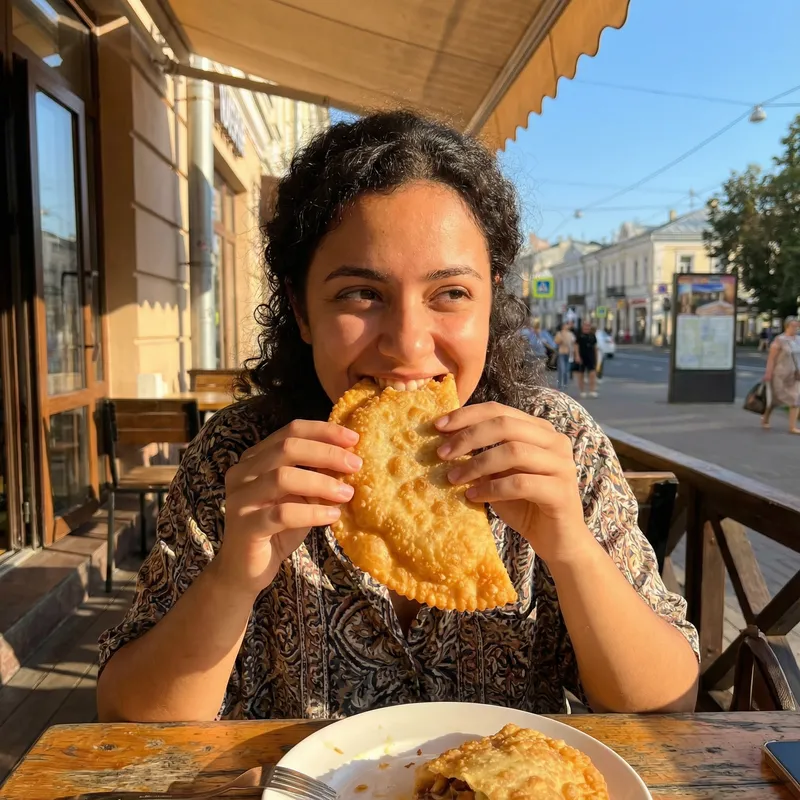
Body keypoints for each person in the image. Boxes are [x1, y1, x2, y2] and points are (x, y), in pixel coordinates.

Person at [96, 111, 699, 723]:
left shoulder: (558, 439)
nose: (408, 344)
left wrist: (572, 550)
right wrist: (230, 580)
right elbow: (129, 719)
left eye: (451, 294)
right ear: (302, 311)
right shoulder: (239, 455)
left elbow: (667, 705)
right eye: (362, 294)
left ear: (491, 301)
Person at [762, 316, 800, 434]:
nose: (795, 328)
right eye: (793, 326)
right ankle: (765, 418)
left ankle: (792, 427)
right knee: (774, 400)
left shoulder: (798, 340)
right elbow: (771, 359)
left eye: (797, 326)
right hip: (780, 374)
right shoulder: (780, 340)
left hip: (795, 374)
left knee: (796, 398)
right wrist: (768, 373)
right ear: (787, 326)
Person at [575, 321, 599, 398]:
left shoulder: (592, 336)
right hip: (582, 357)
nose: (587, 328)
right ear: (583, 327)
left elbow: (595, 347)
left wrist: (596, 357)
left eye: (588, 326)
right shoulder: (579, 335)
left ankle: (592, 391)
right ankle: (582, 391)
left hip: (591, 357)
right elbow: (576, 346)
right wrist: (577, 356)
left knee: (592, 374)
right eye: (585, 326)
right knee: (581, 374)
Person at [553, 321, 575, 391]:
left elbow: (573, 342)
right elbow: (556, 342)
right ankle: (559, 384)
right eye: (566, 325)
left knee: (566, 370)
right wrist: (562, 337)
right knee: (562, 369)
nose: (567, 326)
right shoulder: (559, 333)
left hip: (568, 353)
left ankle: (565, 384)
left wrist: (573, 351)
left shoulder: (570, 334)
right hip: (561, 353)